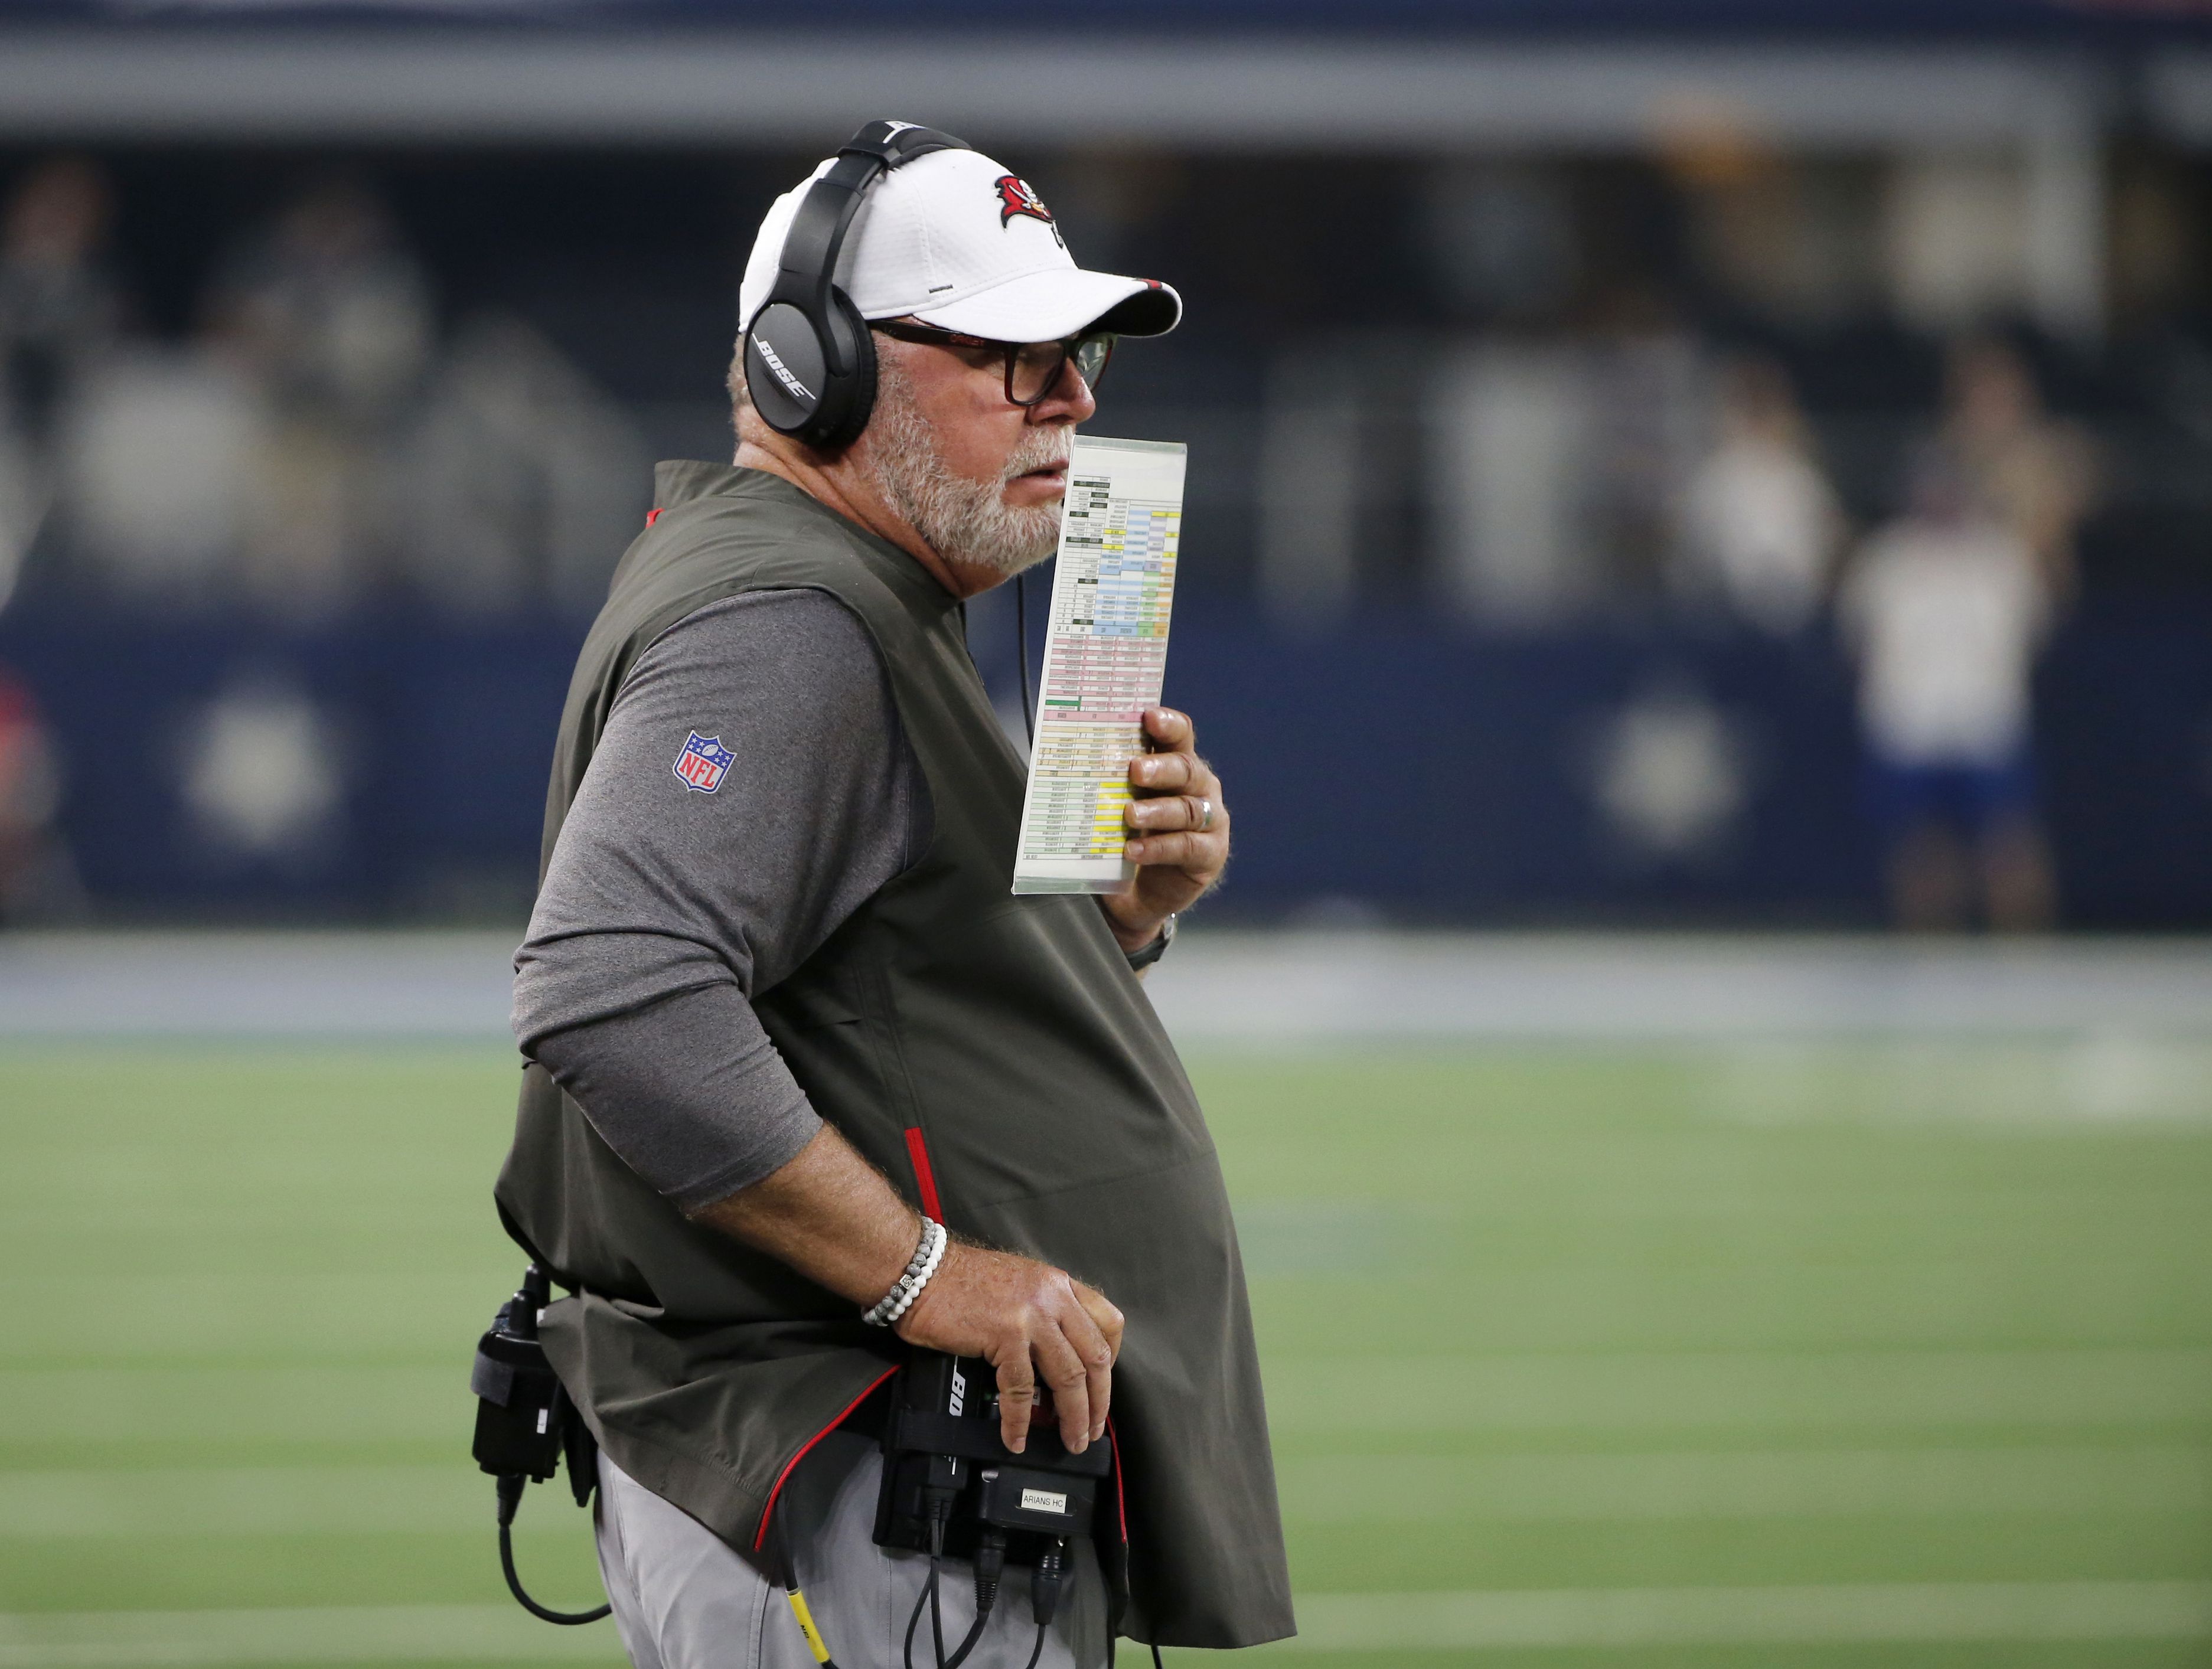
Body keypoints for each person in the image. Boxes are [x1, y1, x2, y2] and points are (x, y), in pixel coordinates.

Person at [496, 123, 1292, 1669]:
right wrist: (929, 1272)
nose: (1069, 396)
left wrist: (1118, 918)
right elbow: (611, 981)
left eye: (1080, 356)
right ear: (817, 370)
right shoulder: (790, 619)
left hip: (868, 1482)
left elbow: (877, 991)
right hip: (849, 1482)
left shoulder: (855, 592)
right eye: (1012, 353)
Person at [1839, 449, 2056, 931]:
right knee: (1918, 845)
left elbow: (2035, 631)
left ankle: (2026, 960)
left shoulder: (2001, 556)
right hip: (1910, 720)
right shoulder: (1886, 559)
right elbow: (1856, 640)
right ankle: (1929, 960)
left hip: (1983, 718)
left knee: (2007, 841)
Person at [1676, 355, 1842, 635]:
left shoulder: (1802, 479)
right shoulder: (1715, 479)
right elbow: (1696, 555)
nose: (1759, 421)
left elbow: (1828, 545)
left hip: (1799, 618)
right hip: (1728, 622)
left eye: (1766, 410)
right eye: (1750, 409)